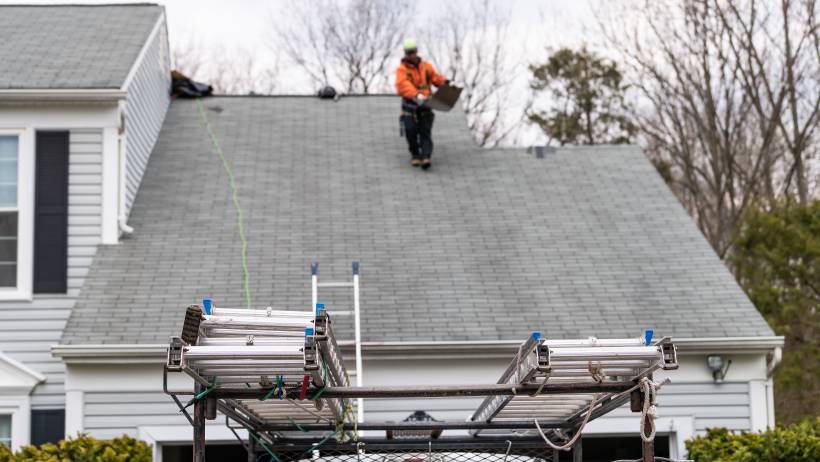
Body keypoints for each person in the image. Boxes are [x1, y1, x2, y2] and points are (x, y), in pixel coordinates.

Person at [395, 38, 450, 170]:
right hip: (410, 106)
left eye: (413, 52)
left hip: (425, 105)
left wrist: (445, 83)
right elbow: (402, 85)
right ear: (405, 54)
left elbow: (435, 78)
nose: (411, 55)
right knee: (411, 131)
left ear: (416, 52)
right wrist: (415, 95)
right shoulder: (402, 70)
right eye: (408, 53)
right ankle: (415, 155)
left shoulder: (426, 67)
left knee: (425, 131)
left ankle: (426, 156)